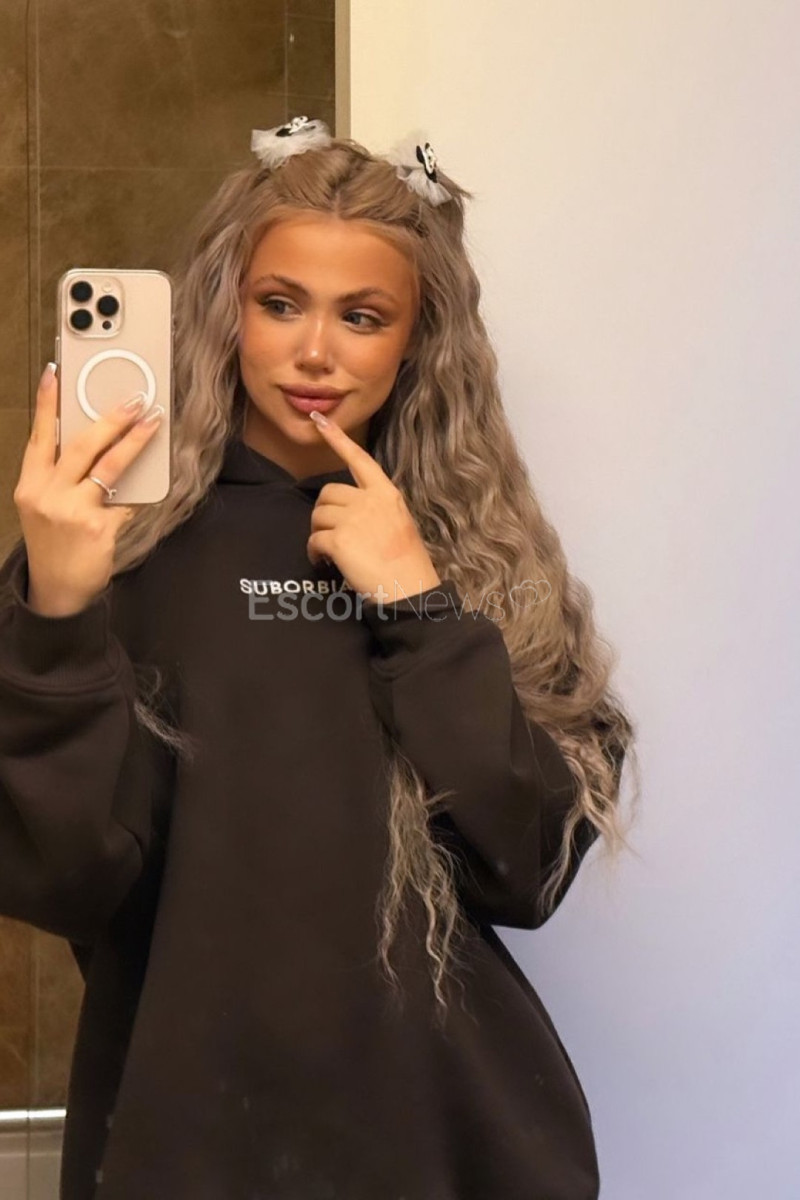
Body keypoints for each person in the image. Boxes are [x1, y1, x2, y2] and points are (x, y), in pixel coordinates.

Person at [0, 116, 637, 1200]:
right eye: (280, 303)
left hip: (451, 1150)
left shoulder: (473, 554)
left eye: (362, 316)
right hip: (185, 1148)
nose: (314, 353)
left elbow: (526, 869)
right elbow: (57, 878)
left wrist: (420, 607)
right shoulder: (121, 550)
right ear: (226, 310)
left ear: (416, 339)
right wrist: (57, 610)